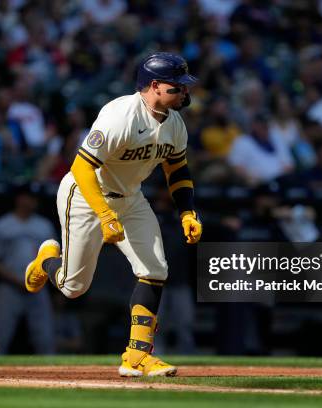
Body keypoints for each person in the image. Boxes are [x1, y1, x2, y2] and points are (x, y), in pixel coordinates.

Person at [25, 52, 202, 376]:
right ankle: (47, 261)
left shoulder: (174, 123)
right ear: (154, 86)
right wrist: (104, 214)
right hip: (86, 195)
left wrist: (188, 212)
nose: (185, 93)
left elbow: (177, 169)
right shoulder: (121, 116)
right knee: (73, 287)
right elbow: (81, 167)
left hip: (131, 198)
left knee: (155, 269)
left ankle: (137, 357)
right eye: (177, 87)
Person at [0, 184, 57, 354]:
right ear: (19, 199)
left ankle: (52, 375)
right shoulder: (3, 224)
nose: (31, 201)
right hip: (9, 286)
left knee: (45, 338)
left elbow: (53, 258)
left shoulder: (43, 226)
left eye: (33, 198)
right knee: (1, 336)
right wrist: (16, 280)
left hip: (38, 287)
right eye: (28, 197)